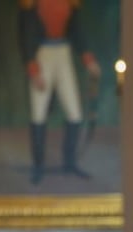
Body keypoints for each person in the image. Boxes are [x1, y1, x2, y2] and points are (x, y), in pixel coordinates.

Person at [18, 0, 102, 184]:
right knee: (38, 114)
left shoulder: (70, 3)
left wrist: (89, 61)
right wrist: (33, 69)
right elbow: (26, 35)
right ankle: (38, 166)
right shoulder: (30, 4)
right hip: (42, 55)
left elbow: (76, 31)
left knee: (75, 114)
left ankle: (69, 163)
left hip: (63, 53)